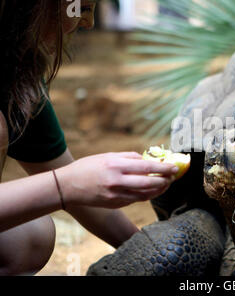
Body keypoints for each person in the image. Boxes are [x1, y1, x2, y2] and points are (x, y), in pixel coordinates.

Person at [0, 0, 178, 275]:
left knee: (32, 236)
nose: (88, 23)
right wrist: (65, 185)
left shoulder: (22, 77)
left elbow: (67, 179)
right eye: (82, 7)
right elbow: (66, 181)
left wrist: (151, 253)